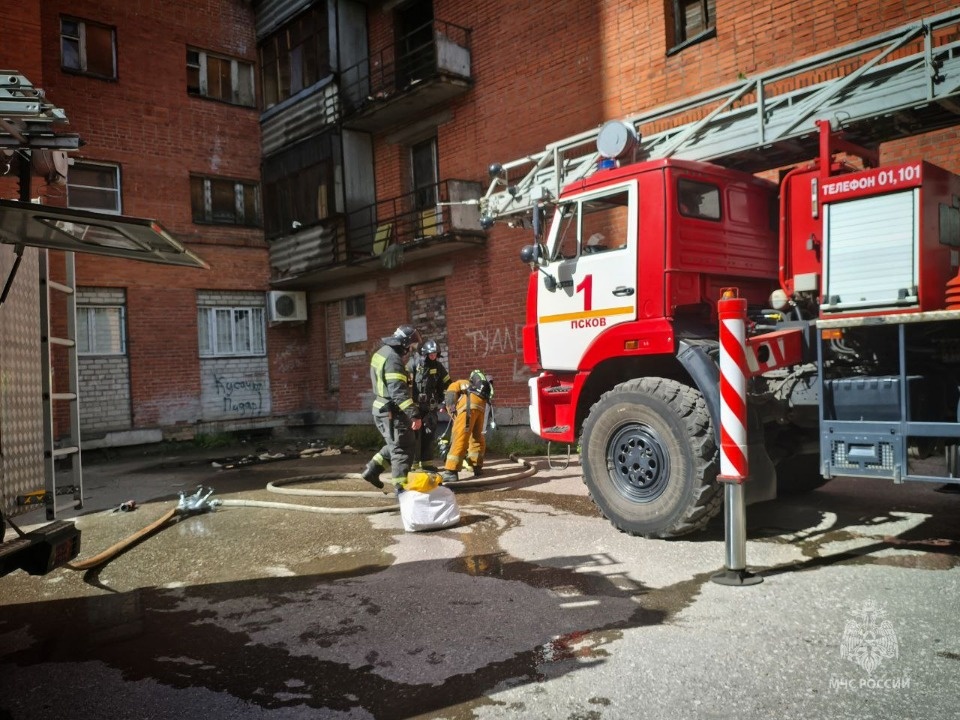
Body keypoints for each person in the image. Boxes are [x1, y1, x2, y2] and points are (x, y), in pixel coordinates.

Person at [360, 324, 422, 491]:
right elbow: (398, 391)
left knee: (395, 444)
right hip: (391, 412)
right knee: (403, 449)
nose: (411, 350)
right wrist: (414, 415)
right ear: (404, 343)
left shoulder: (381, 353)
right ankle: (401, 490)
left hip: (381, 409)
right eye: (411, 346)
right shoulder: (393, 359)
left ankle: (373, 470)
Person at [440, 369, 494, 483]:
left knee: (460, 437)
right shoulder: (479, 389)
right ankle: (477, 467)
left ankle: (451, 471)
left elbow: (450, 395)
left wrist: (452, 411)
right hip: (481, 407)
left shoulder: (460, 383)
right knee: (477, 437)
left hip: (468, 407)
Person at [405, 338, 451, 470]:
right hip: (415, 408)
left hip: (430, 408)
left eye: (435, 354)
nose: (433, 356)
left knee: (429, 435)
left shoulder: (437, 366)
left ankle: (427, 465)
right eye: (431, 354)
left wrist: (444, 402)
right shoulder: (413, 363)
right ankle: (413, 466)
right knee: (415, 437)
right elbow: (405, 384)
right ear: (424, 353)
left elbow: (448, 383)